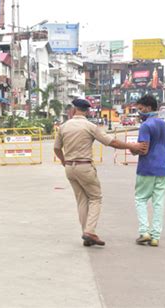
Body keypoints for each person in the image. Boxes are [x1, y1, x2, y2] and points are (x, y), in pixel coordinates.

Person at [54, 98, 146, 247]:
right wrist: (132, 146)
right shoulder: (90, 126)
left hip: (70, 168)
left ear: (72, 110)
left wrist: (65, 162)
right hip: (84, 166)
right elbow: (112, 142)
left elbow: (57, 149)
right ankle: (90, 231)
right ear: (88, 111)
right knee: (96, 198)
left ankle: (86, 233)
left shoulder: (63, 127)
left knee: (82, 200)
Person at [132, 95, 165, 247]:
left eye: (140, 109)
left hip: (147, 168)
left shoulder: (146, 125)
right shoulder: (164, 124)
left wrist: (133, 150)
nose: (139, 112)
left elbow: (143, 149)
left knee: (141, 199)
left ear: (148, 108)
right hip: (163, 168)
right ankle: (155, 237)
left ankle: (144, 232)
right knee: (158, 203)